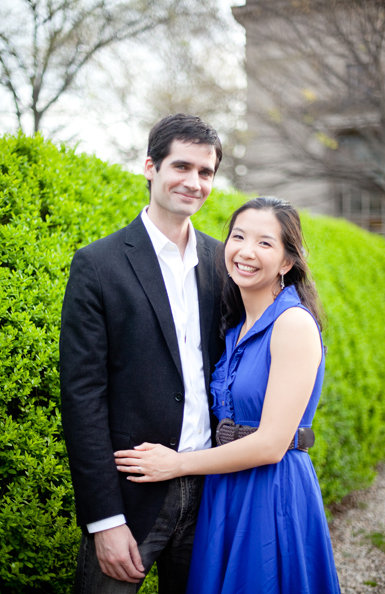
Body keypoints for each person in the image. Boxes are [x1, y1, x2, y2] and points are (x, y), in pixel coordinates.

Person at [114, 197, 341, 593]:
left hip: (270, 489)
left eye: (265, 243)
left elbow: (271, 445)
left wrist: (177, 464)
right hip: (224, 488)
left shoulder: (292, 324)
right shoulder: (233, 326)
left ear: (287, 262)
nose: (246, 251)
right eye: (238, 236)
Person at [60, 113, 225, 593]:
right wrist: (103, 520)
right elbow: (82, 397)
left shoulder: (223, 263)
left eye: (206, 172)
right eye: (182, 167)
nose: (194, 182)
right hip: (130, 499)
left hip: (211, 492)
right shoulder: (98, 264)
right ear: (150, 167)